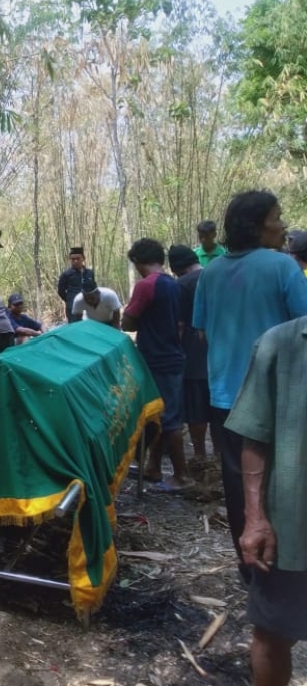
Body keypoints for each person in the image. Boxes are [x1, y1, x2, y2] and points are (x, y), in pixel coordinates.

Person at [193, 190, 307, 575]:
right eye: (278, 216)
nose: (283, 224)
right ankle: (286, 565)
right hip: (277, 400)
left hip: (224, 395)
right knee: (284, 481)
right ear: (258, 226)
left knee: (239, 483)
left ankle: (251, 567)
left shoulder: (210, 273)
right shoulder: (283, 267)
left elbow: (203, 333)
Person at [224, 317, 307, 686]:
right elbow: (254, 438)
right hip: (293, 528)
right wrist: (255, 517)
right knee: (274, 633)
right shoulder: (281, 343)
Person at [123, 238, 191, 492]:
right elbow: (181, 323)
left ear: (139, 262)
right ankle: (152, 467)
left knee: (169, 418)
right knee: (161, 414)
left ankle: (182, 476)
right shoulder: (174, 285)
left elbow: (128, 322)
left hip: (156, 359)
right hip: (174, 354)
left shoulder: (145, 285)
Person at [168, 245, 214, 461]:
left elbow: (178, 324)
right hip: (221, 351)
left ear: (177, 268)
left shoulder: (182, 285)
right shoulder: (216, 275)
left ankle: (200, 456)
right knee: (219, 408)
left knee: (196, 410)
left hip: (194, 352)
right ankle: (221, 457)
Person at [57, 246, 96, 322]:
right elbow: (60, 291)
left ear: (83, 258)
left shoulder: (89, 273)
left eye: (78, 259)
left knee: (90, 327)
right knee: (75, 329)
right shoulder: (66, 274)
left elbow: (94, 288)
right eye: (73, 259)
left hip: (89, 306)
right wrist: (69, 300)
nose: (75, 261)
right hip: (73, 308)